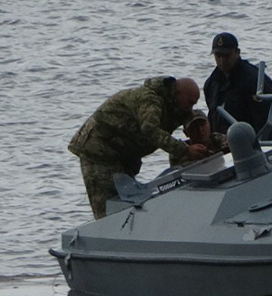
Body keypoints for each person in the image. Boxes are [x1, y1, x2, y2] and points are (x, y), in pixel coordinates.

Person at [68, 76, 209, 218]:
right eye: (190, 103)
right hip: (98, 152)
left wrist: (213, 141)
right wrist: (184, 150)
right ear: (177, 93)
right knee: (107, 210)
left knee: (128, 205)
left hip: (122, 156)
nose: (190, 108)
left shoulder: (174, 106)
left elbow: (194, 120)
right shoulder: (151, 100)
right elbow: (150, 130)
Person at [203, 32, 272, 138]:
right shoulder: (211, 84)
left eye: (227, 55)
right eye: (218, 56)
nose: (222, 60)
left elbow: (266, 121)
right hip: (221, 143)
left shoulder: (253, 80)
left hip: (246, 143)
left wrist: (259, 146)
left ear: (237, 52)